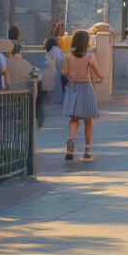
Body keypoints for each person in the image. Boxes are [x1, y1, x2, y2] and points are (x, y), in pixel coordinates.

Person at [62, 29, 103, 162]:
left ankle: (70, 139)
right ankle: (88, 150)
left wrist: (72, 76)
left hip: (73, 87)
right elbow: (99, 74)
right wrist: (100, 78)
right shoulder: (90, 56)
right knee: (88, 121)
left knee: (74, 118)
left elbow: (64, 72)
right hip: (86, 87)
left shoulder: (68, 56)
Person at [38, 36, 59, 127]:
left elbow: (41, 68)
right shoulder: (58, 55)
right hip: (55, 79)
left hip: (46, 79)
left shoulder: (46, 56)